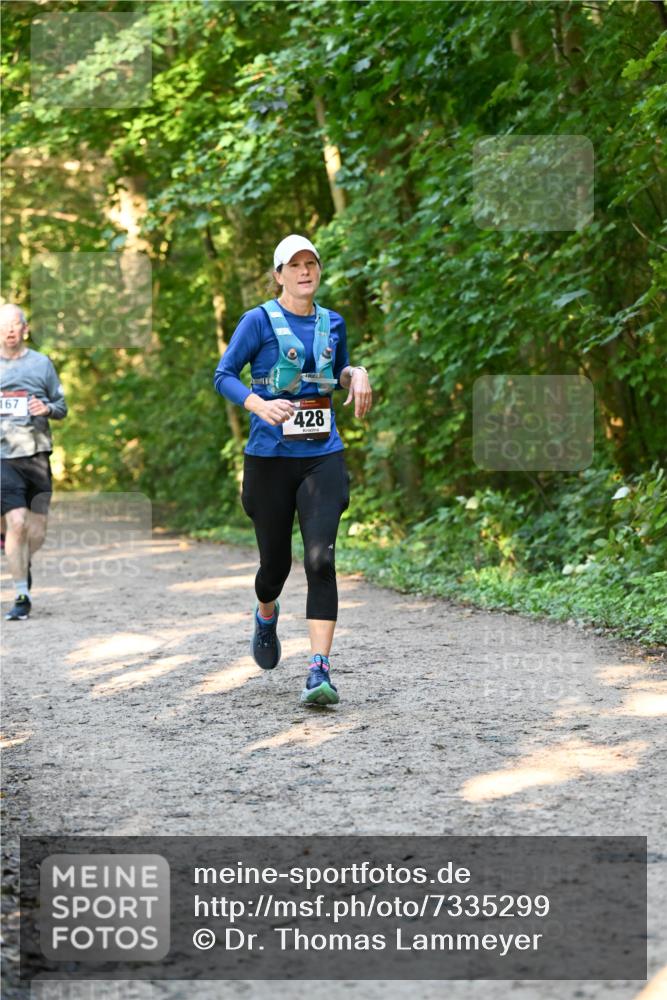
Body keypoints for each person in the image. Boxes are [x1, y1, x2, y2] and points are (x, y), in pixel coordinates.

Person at [214, 235, 372, 706]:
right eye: (295, 265)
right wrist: (258, 404)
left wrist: (356, 373)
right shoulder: (257, 321)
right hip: (269, 459)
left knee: (320, 560)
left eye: (311, 264)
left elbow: (336, 373)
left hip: (323, 455)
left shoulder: (332, 322)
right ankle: (266, 612)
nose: (305, 271)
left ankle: (319, 670)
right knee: (275, 567)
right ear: (278, 274)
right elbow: (224, 375)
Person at [0, 303, 68, 620]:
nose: (9, 330)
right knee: (17, 523)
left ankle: (20, 559)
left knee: (36, 532)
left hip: (38, 453)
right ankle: (21, 595)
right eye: (3, 326)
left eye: (14, 324)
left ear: (25, 329)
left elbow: (62, 406)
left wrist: (47, 408)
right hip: (3, 456)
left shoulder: (42, 364)